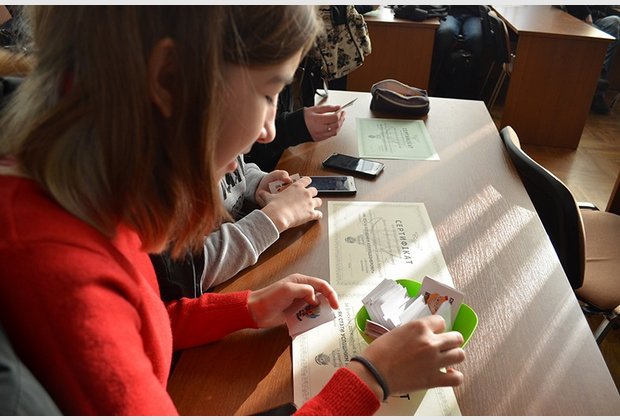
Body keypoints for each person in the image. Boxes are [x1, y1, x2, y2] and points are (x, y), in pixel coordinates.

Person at [0, 5, 465, 415]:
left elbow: (140, 323)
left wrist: (244, 308)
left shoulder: (89, 193)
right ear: (169, 78)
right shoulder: (64, 276)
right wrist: (372, 379)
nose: (269, 131)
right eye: (268, 93)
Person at [152, 153, 323, 299]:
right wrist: (275, 218)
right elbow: (188, 268)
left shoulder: (220, 144)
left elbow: (238, 168)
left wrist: (257, 183)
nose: (269, 133)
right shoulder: (161, 181)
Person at [563, 6, 620, 114]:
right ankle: (597, 88)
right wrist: (586, 13)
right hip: (578, 18)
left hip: (598, 20)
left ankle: (598, 79)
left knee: (614, 22)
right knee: (613, 26)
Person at [430, 5, 486, 99]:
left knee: (475, 38)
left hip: (474, 14)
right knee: (445, 34)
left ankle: (470, 84)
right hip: (449, 12)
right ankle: (440, 79)